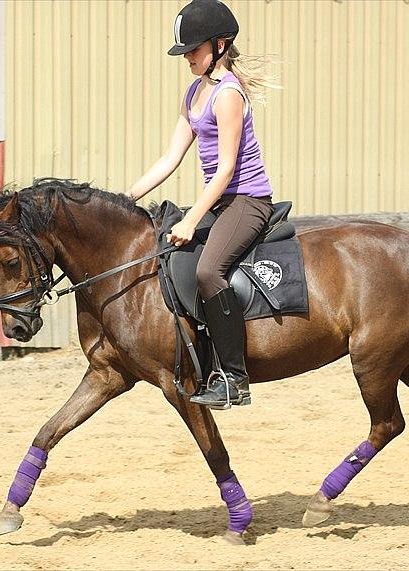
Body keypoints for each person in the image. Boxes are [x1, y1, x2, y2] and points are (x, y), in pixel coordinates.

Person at [126, 0, 278, 409]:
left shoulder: (228, 94)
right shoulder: (195, 92)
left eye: (193, 50)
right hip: (220, 202)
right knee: (173, 260)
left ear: (220, 45)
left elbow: (227, 169)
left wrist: (192, 218)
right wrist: (125, 199)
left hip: (246, 200)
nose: (188, 58)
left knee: (210, 270)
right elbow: (170, 158)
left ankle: (233, 378)